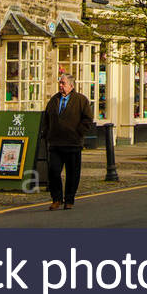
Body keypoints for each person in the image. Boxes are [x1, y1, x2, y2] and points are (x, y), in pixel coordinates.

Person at [43, 72, 93, 210]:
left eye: (63, 83)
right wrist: (46, 134)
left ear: (71, 86)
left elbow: (88, 119)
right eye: (60, 83)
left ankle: (69, 199)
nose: (60, 86)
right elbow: (46, 118)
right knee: (53, 171)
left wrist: (79, 133)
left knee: (73, 173)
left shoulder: (81, 100)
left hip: (73, 143)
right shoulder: (54, 100)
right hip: (55, 143)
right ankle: (56, 199)